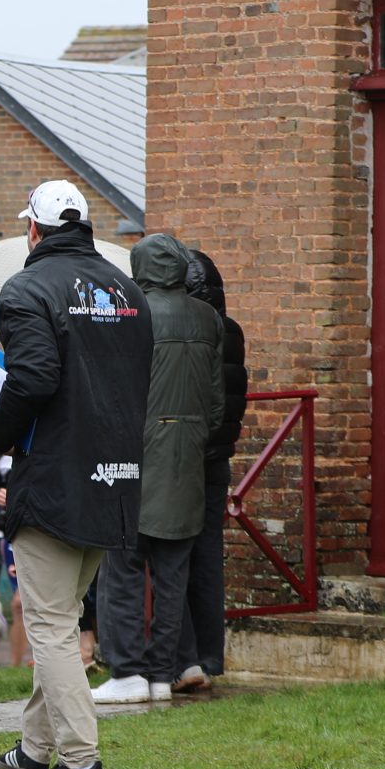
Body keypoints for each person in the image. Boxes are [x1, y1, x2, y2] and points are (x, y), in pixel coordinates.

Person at [0, 182, 155, 769]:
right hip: (116, 478)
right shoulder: (127, 289)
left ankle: (80, 762)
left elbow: (31, 377)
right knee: (59, 618)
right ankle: (34, 750)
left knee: (51, 626)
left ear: (34, 230)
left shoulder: (27, 289)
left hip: (55, 479)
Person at [93, 235, 224, 706]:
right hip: (187, 456)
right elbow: (214, 402)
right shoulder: (208, 317)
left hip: (136, 451)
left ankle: (126, 670)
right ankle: (161, 673)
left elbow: (113, 390)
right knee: (173, 575)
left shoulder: (133, 310)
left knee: (123, 566)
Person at [181, 247, 246, 687]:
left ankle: (182, 656)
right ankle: (211, 656)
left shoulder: (192, 331)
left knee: (176, 559)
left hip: (186, 458)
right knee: (207, 559)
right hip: (219, 458)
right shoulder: (233, 331)